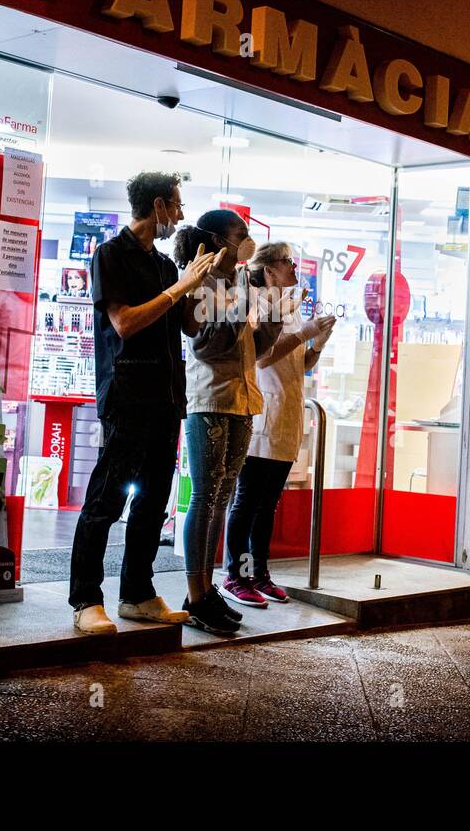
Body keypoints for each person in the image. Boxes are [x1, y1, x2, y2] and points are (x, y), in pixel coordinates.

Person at [68, 172, 222, 634]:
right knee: (107, 499)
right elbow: (125, 323)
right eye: (175, 206)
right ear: (156, 205)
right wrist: (178, 289)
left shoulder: (164, 266)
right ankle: (85, 599)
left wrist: (197, 284)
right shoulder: (109, 255)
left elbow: (190, 329)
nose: (178, 216)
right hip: (127, 396)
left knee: (154, 502)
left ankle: (137, 592)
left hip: (166, 397)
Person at [173, 211, 286, 634]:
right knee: (204, 496)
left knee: (222, 496)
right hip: (209, 398)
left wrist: (272, 310)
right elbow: (207, 346)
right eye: (242, 235)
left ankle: (208, 589)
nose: (250, 242)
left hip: (241, 399)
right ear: (220, 238)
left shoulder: (239, 281)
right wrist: (244, 305)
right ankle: (195, 593)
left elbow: (251, 348)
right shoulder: (200, 281)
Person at [222, 242, 335, 607]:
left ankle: (260, 573)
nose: (293, 267)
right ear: (269, 270)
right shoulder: (256, 304)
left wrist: (317, 342)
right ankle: (235, 575)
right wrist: (306, 333)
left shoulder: (290, 308)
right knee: (247, 501)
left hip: (288, 415)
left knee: (268, 503)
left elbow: (300, 364)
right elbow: (265, 357)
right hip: (261, 417)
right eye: (287, 261)